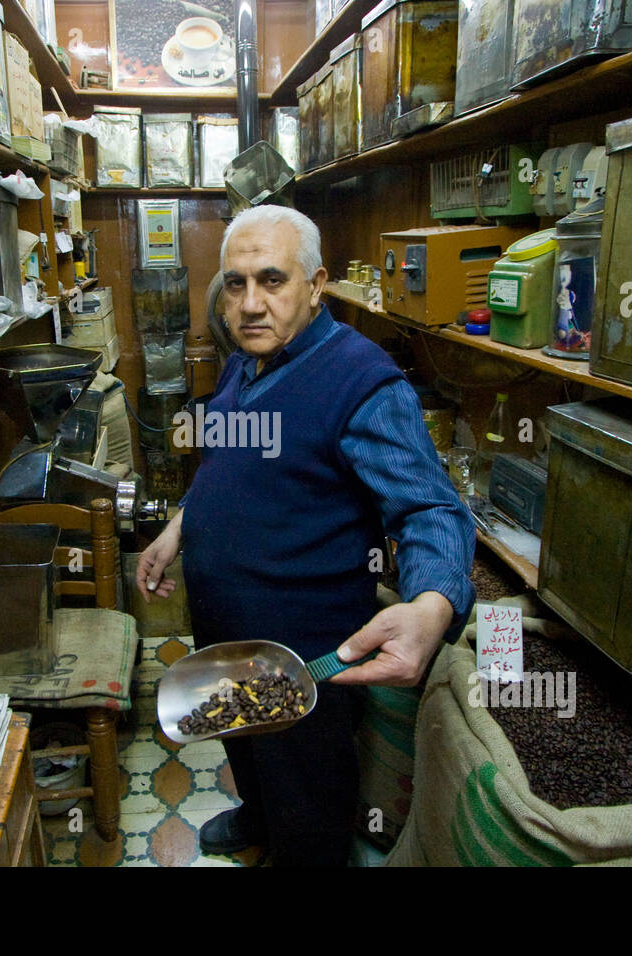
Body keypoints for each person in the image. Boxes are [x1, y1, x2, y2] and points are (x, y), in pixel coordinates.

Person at [137, 205, 475, 866]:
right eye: (235, 284)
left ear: (317, 285)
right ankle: (257, 817)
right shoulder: (245, 360)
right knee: (246, 742)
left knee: (307, 787)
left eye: (272, 280)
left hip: (302, 646)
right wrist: (180, 526)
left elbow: (431, 510)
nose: (251, 303)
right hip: (224, 621)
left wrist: (432, 603)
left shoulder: (362, 384)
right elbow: (226, 458)